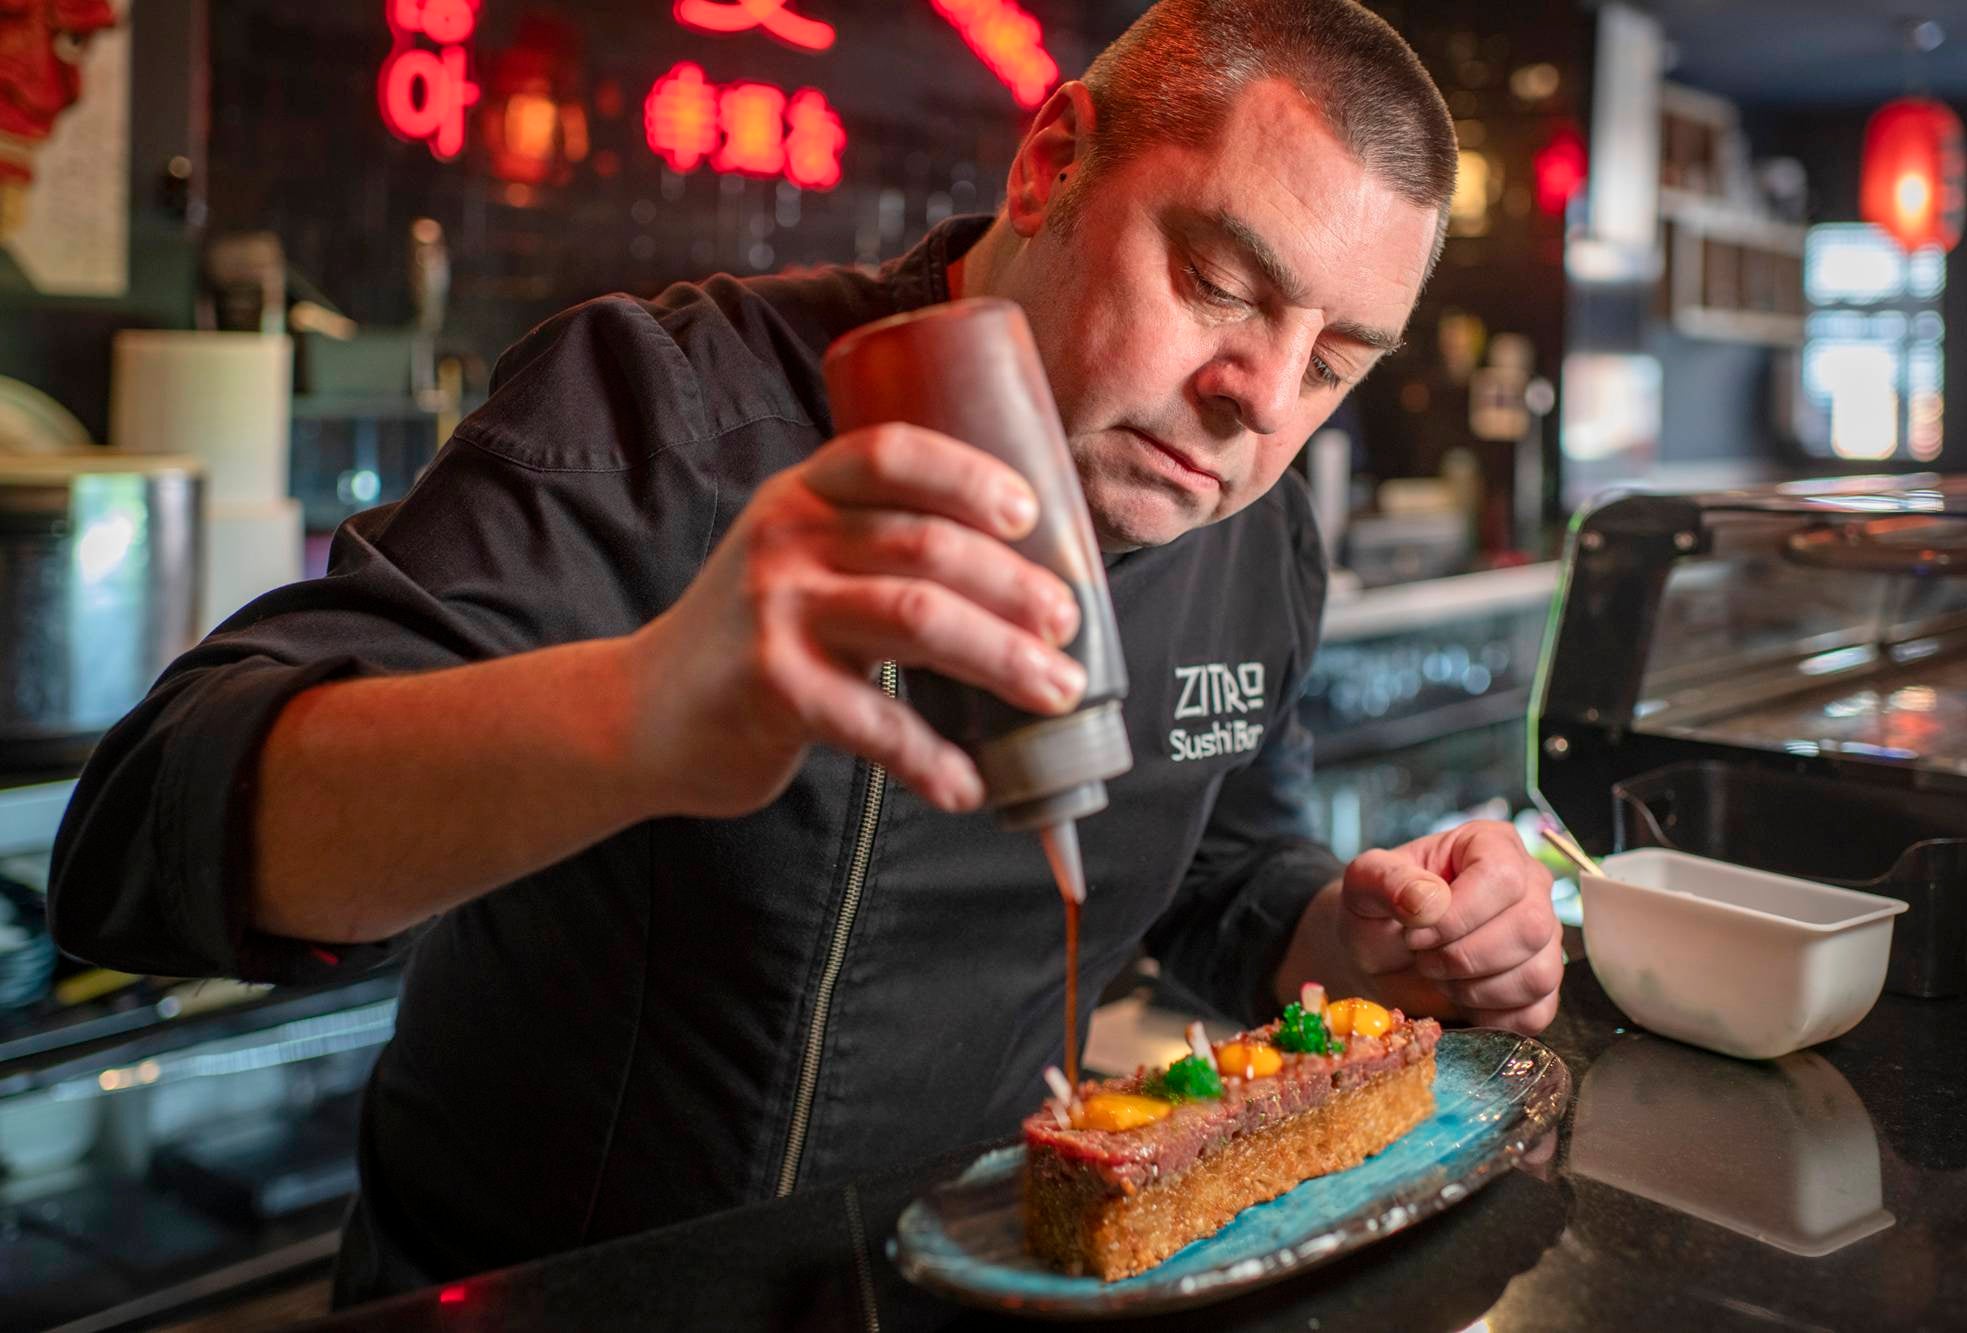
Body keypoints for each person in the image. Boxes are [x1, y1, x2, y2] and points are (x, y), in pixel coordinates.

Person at [49, 0, 1559, 1305]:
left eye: (1335, 364)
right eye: (1225, 287)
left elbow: (1226, 870)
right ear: (1051, 163)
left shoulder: (1262, 538)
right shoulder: (665, 410)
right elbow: (145, 839)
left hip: (966, 1287)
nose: (1259, 400)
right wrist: (637, 710)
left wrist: (1361, 942)